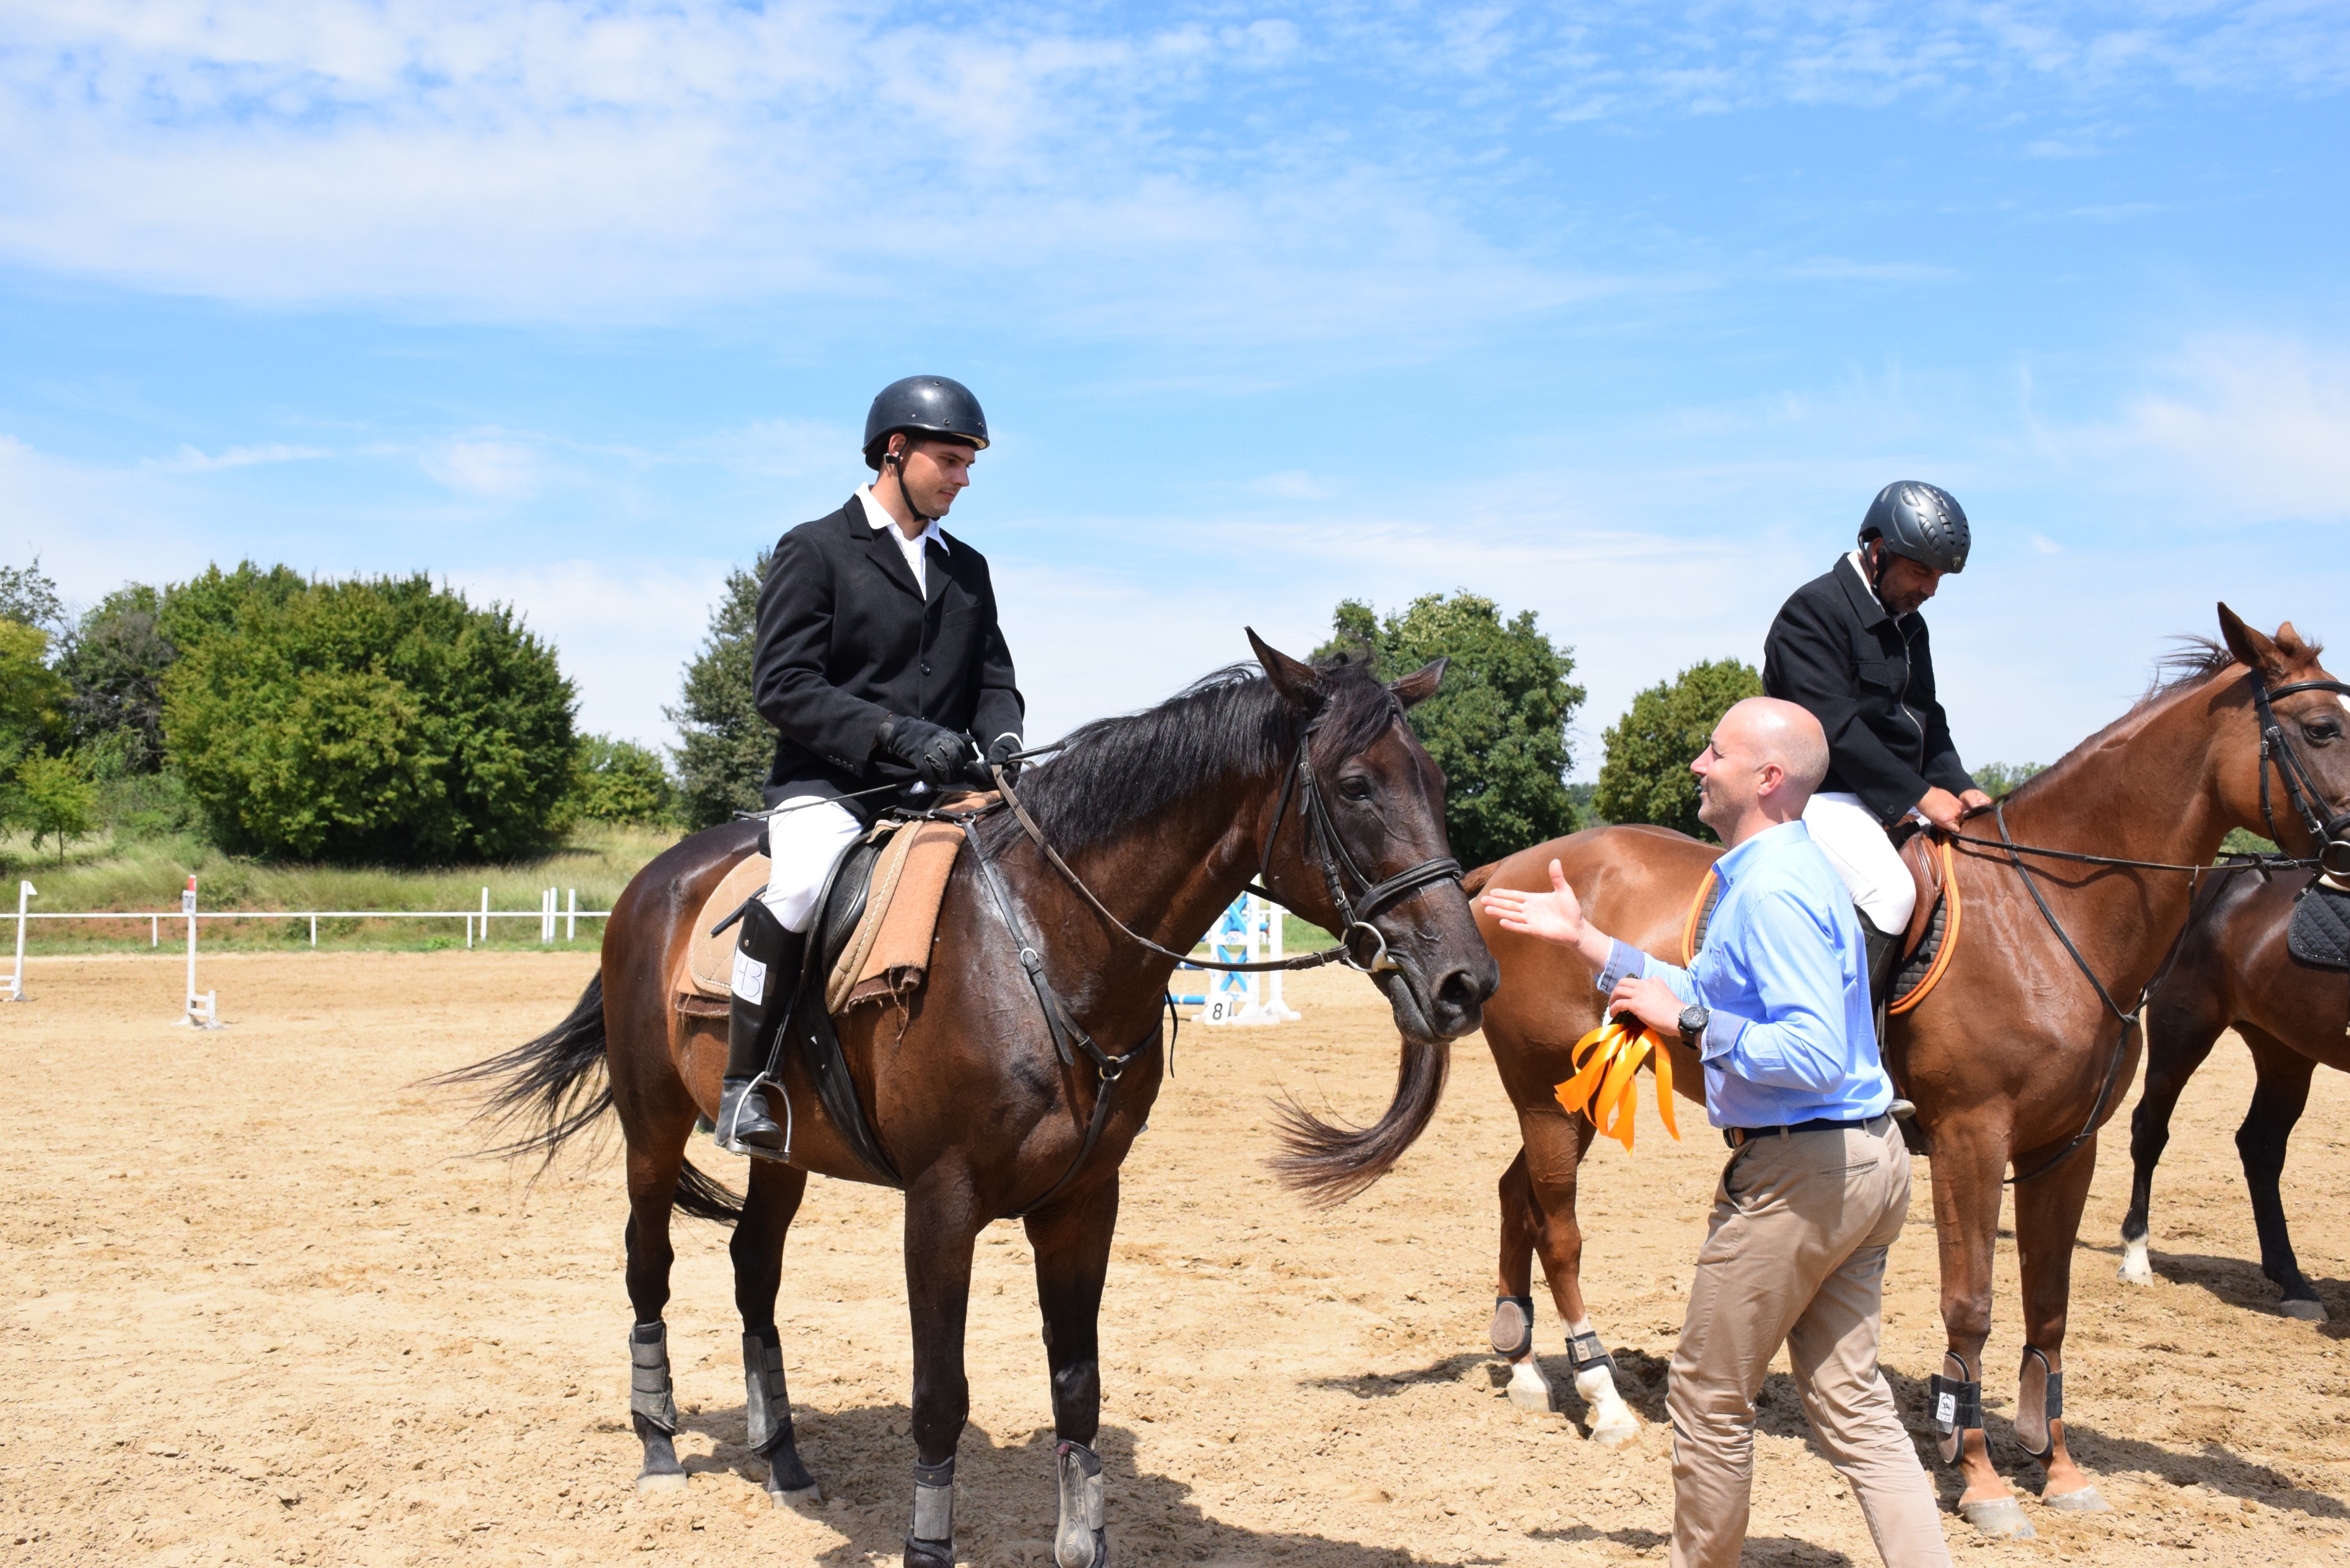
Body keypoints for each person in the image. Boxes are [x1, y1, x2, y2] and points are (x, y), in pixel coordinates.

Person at [1480, 697, 1949, 1568]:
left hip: (1799, 1177)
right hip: (1863, 1160)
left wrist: (1689, 1021)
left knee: (1705, 1401)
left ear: (1767, 779)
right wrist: (1593, 944)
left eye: (1715, 753)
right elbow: (1719, 985)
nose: (1698, 765)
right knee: (1853, 1407)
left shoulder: (1770, 890)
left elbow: (1802, 1050)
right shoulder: (1785, 869)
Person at [717, 375, 1026, 1157]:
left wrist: (1006, 745)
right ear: (897, 451)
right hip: (833, 787)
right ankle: (746, 1083)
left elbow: (993, 681)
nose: (963, 480)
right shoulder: (816, 549)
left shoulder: (968, 568)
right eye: (951, 462)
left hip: (947, 787)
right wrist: (894, 734)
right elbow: (782, 686)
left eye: (968, 467)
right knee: (800, 886)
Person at [1761, 480, 1989, 1001]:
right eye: (1921, 571)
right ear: (1878, 551)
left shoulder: (1910, 626)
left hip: (1887, 799)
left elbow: (1927, 719)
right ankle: (1830, 1043)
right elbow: (1833, 731)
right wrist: (1919, 794)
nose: (1930, 589)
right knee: (1889, 894)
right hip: (1817, 796)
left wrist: (1959, 785)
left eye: (1938, 577)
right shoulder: (1811, 612)